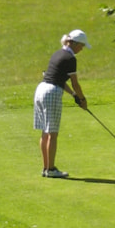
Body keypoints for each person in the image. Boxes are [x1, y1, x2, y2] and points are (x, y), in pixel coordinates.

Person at [34, 29, 91, 178]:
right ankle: (51, 170)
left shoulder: (57, 53)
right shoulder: (71, 58)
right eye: (82, 46)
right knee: (53, 134)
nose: (82, 49)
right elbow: (75, 83)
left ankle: (46, 168)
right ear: (76, 44)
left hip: (40, 90)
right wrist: (82, 100)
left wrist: (74, 96)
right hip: (51, 93)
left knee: (45, 133)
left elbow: (60, 80)